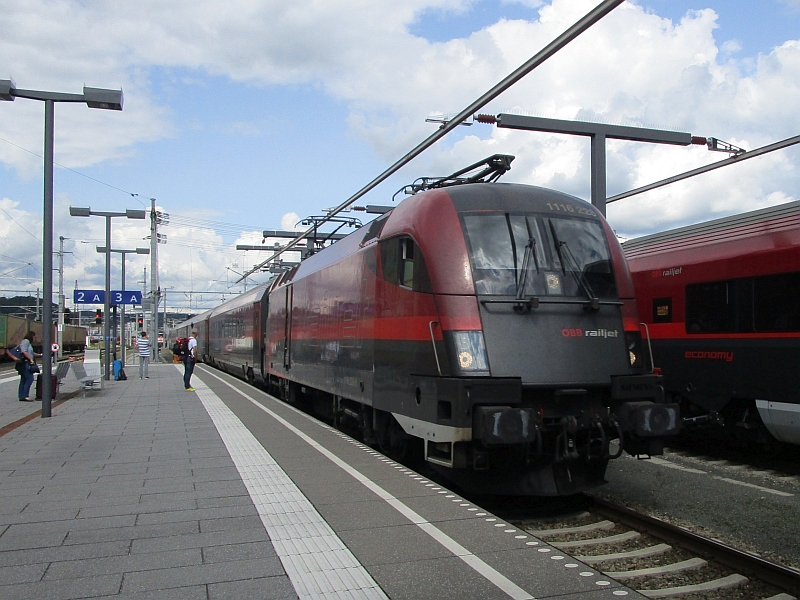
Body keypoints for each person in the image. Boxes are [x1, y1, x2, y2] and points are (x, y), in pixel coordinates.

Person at [16, 331, 40, 402]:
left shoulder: (28, 343)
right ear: (31, 336)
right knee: (30, 378)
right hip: (25, 363)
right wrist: (30, 359)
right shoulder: (26, 341)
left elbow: (31, 353)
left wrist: (40, 355)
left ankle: (21, 396)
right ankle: (25, 396)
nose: (35, 338)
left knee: (23, 379)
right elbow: (24, 351)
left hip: (26, 363)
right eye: (34, 336)